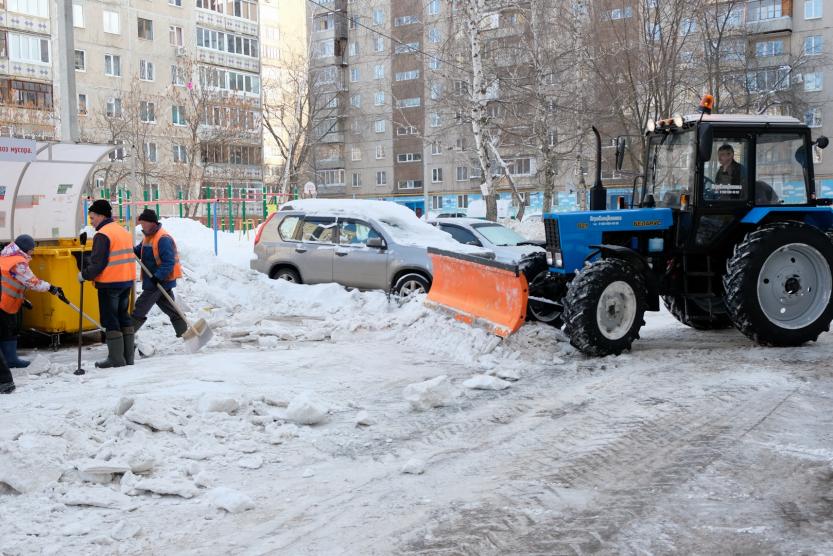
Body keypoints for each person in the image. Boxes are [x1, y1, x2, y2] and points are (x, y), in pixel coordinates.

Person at [0, 234, 65, 392]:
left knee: (8, 329)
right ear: (25, 250)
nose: (31, 254)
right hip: (3, 303)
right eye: (31, 251)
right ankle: (6, 378)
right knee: (5, 329)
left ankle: (10, 360)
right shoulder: (18, 262)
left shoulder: (5, 255)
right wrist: (51, 288)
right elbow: (32, 282)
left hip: (7, 302)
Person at [79, 200, 136, 368]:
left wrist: (84, 275)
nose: (91, 221)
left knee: (111, 319)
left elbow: (98, 263)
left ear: (102, 215)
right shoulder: (122, 231)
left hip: (109, 282)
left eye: (92, 217)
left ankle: (116, 359)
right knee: (123, 316)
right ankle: (128, 357)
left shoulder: (103, 234)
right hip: (126, 281)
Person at [130, 209, 186, 342]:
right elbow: (139, 251)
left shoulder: (163, 239)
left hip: (159, 281)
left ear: (151, 223)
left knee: (140, 307)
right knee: (171, 307)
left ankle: (126, 336)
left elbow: (169, 262)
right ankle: (185, 333)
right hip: (155, 280)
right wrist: (129, 249)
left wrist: (157, 277)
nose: (141, 226)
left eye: (143, 223)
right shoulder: (148, 237)